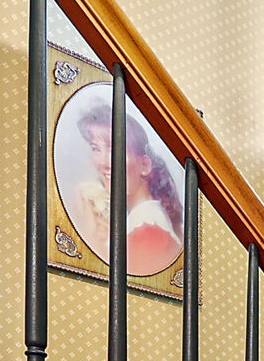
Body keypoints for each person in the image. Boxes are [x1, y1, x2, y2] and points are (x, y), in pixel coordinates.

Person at [70, 90, 185, 277]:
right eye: (96, 149)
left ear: (144, 165)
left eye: (114, 148)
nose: (103, 162)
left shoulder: (150, 230)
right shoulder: (136, 222)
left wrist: (91, 235)